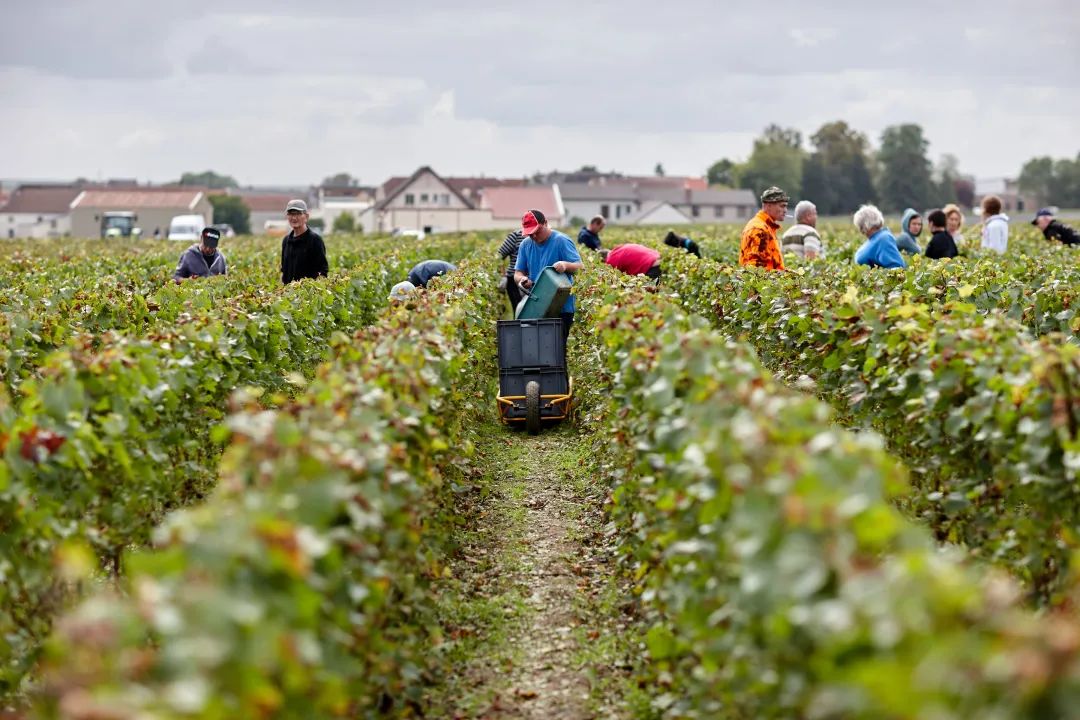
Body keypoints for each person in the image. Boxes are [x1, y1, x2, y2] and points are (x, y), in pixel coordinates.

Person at [514, 209, 583, 346]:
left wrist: (565, 265)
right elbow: (518, 273)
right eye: (530, 234)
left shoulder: (561, 241)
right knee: (536, 347)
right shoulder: (525, 245)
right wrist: (522, 280)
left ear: (545, 223)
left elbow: (581, 266)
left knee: (556, 349)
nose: (533, 236)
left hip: (561, 306)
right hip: (536, 306)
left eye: (537, 232)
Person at [281, 199, 329, 284]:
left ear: (306, 217)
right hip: (288, 295)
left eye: (298, 214)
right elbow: (284, 271)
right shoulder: (286, 241)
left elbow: (322, 272)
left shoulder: (315, 240)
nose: (294, 218)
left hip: (308, 294)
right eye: (291, 214)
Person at [739, 187, 788, 270]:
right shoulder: (759, 229)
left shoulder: (766, 227)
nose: (785, 210)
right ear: (768, 206)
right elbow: (755, 268)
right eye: (782, 206)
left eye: (786, 207)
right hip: (765, 282)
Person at [853, 204, 906, 269]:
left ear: (866, 224)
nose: (860, 230)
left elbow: (896, 266)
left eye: (861, 226)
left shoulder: (884, 238)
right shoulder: (874, 238)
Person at [498, 229, 525, 309]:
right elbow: (499, 257)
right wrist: (503, 275)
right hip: (514, 279)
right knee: (518, 309)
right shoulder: (515, 236)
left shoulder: (542, 236)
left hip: (534, 279)